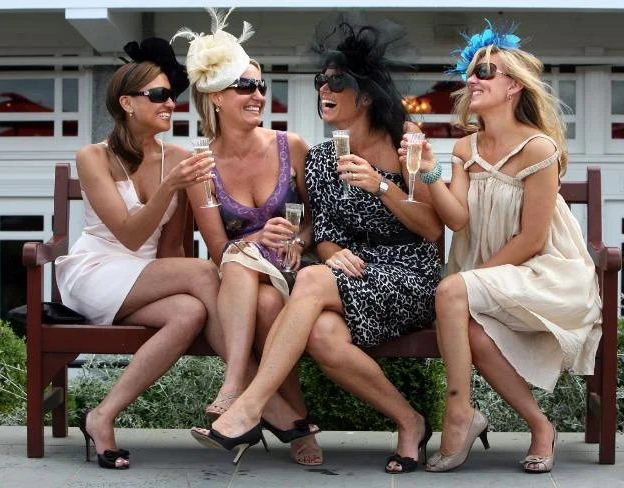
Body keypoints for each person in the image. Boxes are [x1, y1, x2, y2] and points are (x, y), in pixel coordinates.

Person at [192, 19, 443, 473]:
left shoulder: (403, 144)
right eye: (320, 81)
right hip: (355, 276)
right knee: (324, 335)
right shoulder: (324, 158)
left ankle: (248, 407)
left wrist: (381, 186)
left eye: (336, 82)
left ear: (365, 95)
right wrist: (329, 253)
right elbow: (323, 233)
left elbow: (432, 229)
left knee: (309, 280)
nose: (324, 89)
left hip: (409, 274)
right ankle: (411, 422)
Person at [402, 21, 602, 474]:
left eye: (485, 71)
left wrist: (473, 281)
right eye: (471, 72)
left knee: (452, 291)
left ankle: (457, 414)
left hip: (544, 272)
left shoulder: (538, 148)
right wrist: (429, 170)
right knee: (470, 327)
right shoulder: (465, 147)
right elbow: (457, 218)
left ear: (514, 86)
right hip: (490, 277)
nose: (472, 79)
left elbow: (532, 239)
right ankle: (540, 426)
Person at [55, 38, 223, 470]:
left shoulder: (179, 156)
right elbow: (129, 235)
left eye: (172, 95)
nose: (170, 103)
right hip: (96, 271)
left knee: (189, 311)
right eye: (159, 95)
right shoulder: (93, 157)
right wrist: (170, 186)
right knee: (204, 273)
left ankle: (102, 415)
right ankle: (246, 390)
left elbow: (168, 248)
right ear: (127, 103)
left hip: (142, 277)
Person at [172, 8, 322, 466]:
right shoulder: (202, 167)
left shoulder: (290, 146)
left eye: (260, 86)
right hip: (242, 278)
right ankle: (297, 423)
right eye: (245, 86)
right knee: (262, 299)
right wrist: (258, 235)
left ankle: (236, 387)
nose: (258, 95)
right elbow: (219, 248)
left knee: (265, 290)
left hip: (296, 270)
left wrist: (297, 239)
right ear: (216, 97)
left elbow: (318, 222)